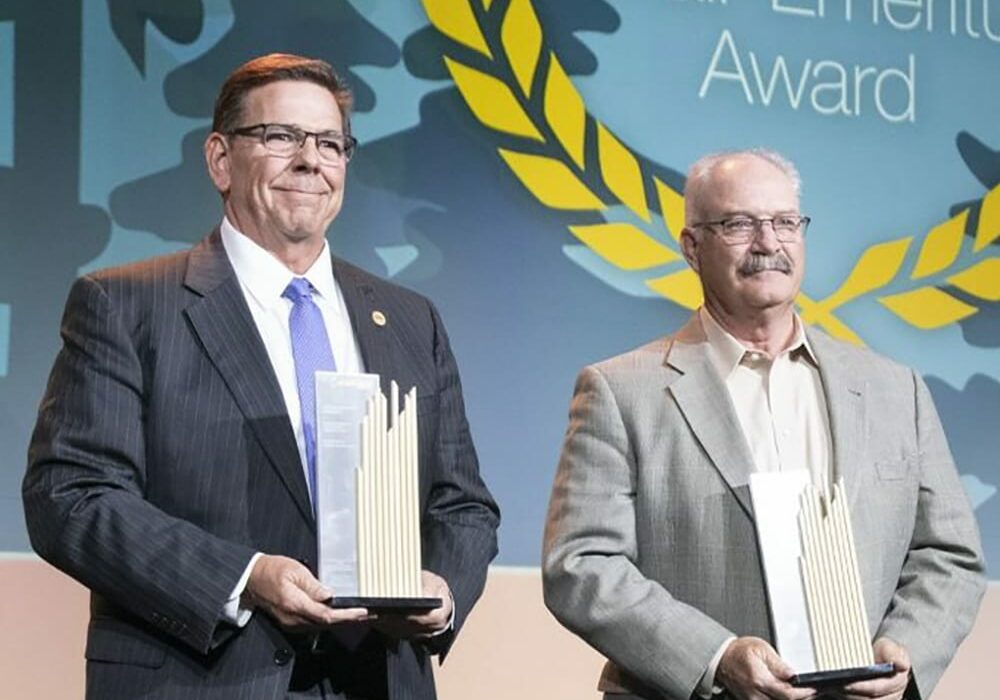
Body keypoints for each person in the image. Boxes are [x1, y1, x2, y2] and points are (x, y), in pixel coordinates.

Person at [23, 53, 499, 700]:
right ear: (220, 159)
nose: (311, 160)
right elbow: (70, 497)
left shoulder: (410, 320)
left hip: (376, 680)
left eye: (331, 143)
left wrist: (439, 594)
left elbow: (462, 504)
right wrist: (245, 577)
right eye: (281, 137)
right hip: (200, 678)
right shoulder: (128, 305)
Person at [541, 149, 984, 700]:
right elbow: (580, 566)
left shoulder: (896, 389)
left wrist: (907, 646)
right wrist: (716, 657)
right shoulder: (620, 390)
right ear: (691, 247)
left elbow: (950, 553)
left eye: (784, 222)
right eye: (738, 224)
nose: (768, 243)